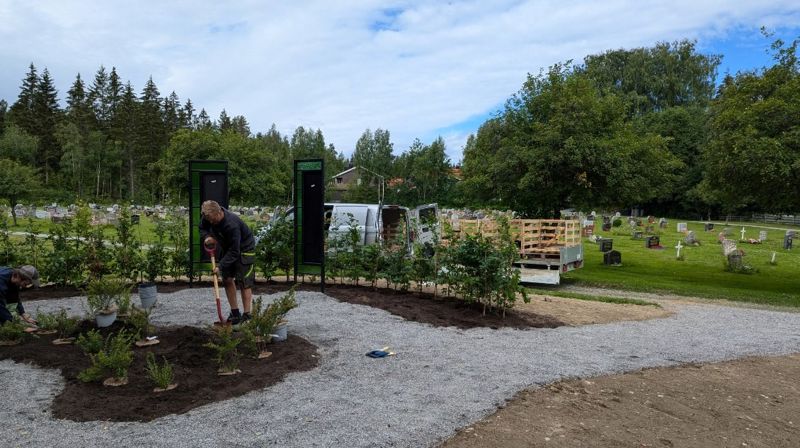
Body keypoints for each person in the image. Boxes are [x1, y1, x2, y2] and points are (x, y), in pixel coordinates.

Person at [199, 200, 256, 325]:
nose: (211, 223)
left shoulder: (231, 224)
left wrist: (220, 266)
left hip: (244, 250)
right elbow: (202, 227)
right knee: (227, 279)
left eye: (213, 220)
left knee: (244, 282)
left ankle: (247, 315)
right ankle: (235, 313)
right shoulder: (208, 217)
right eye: (209, 220)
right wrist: (207, 236)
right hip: (227, 248)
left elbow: (235, 251)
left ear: (219, 212)